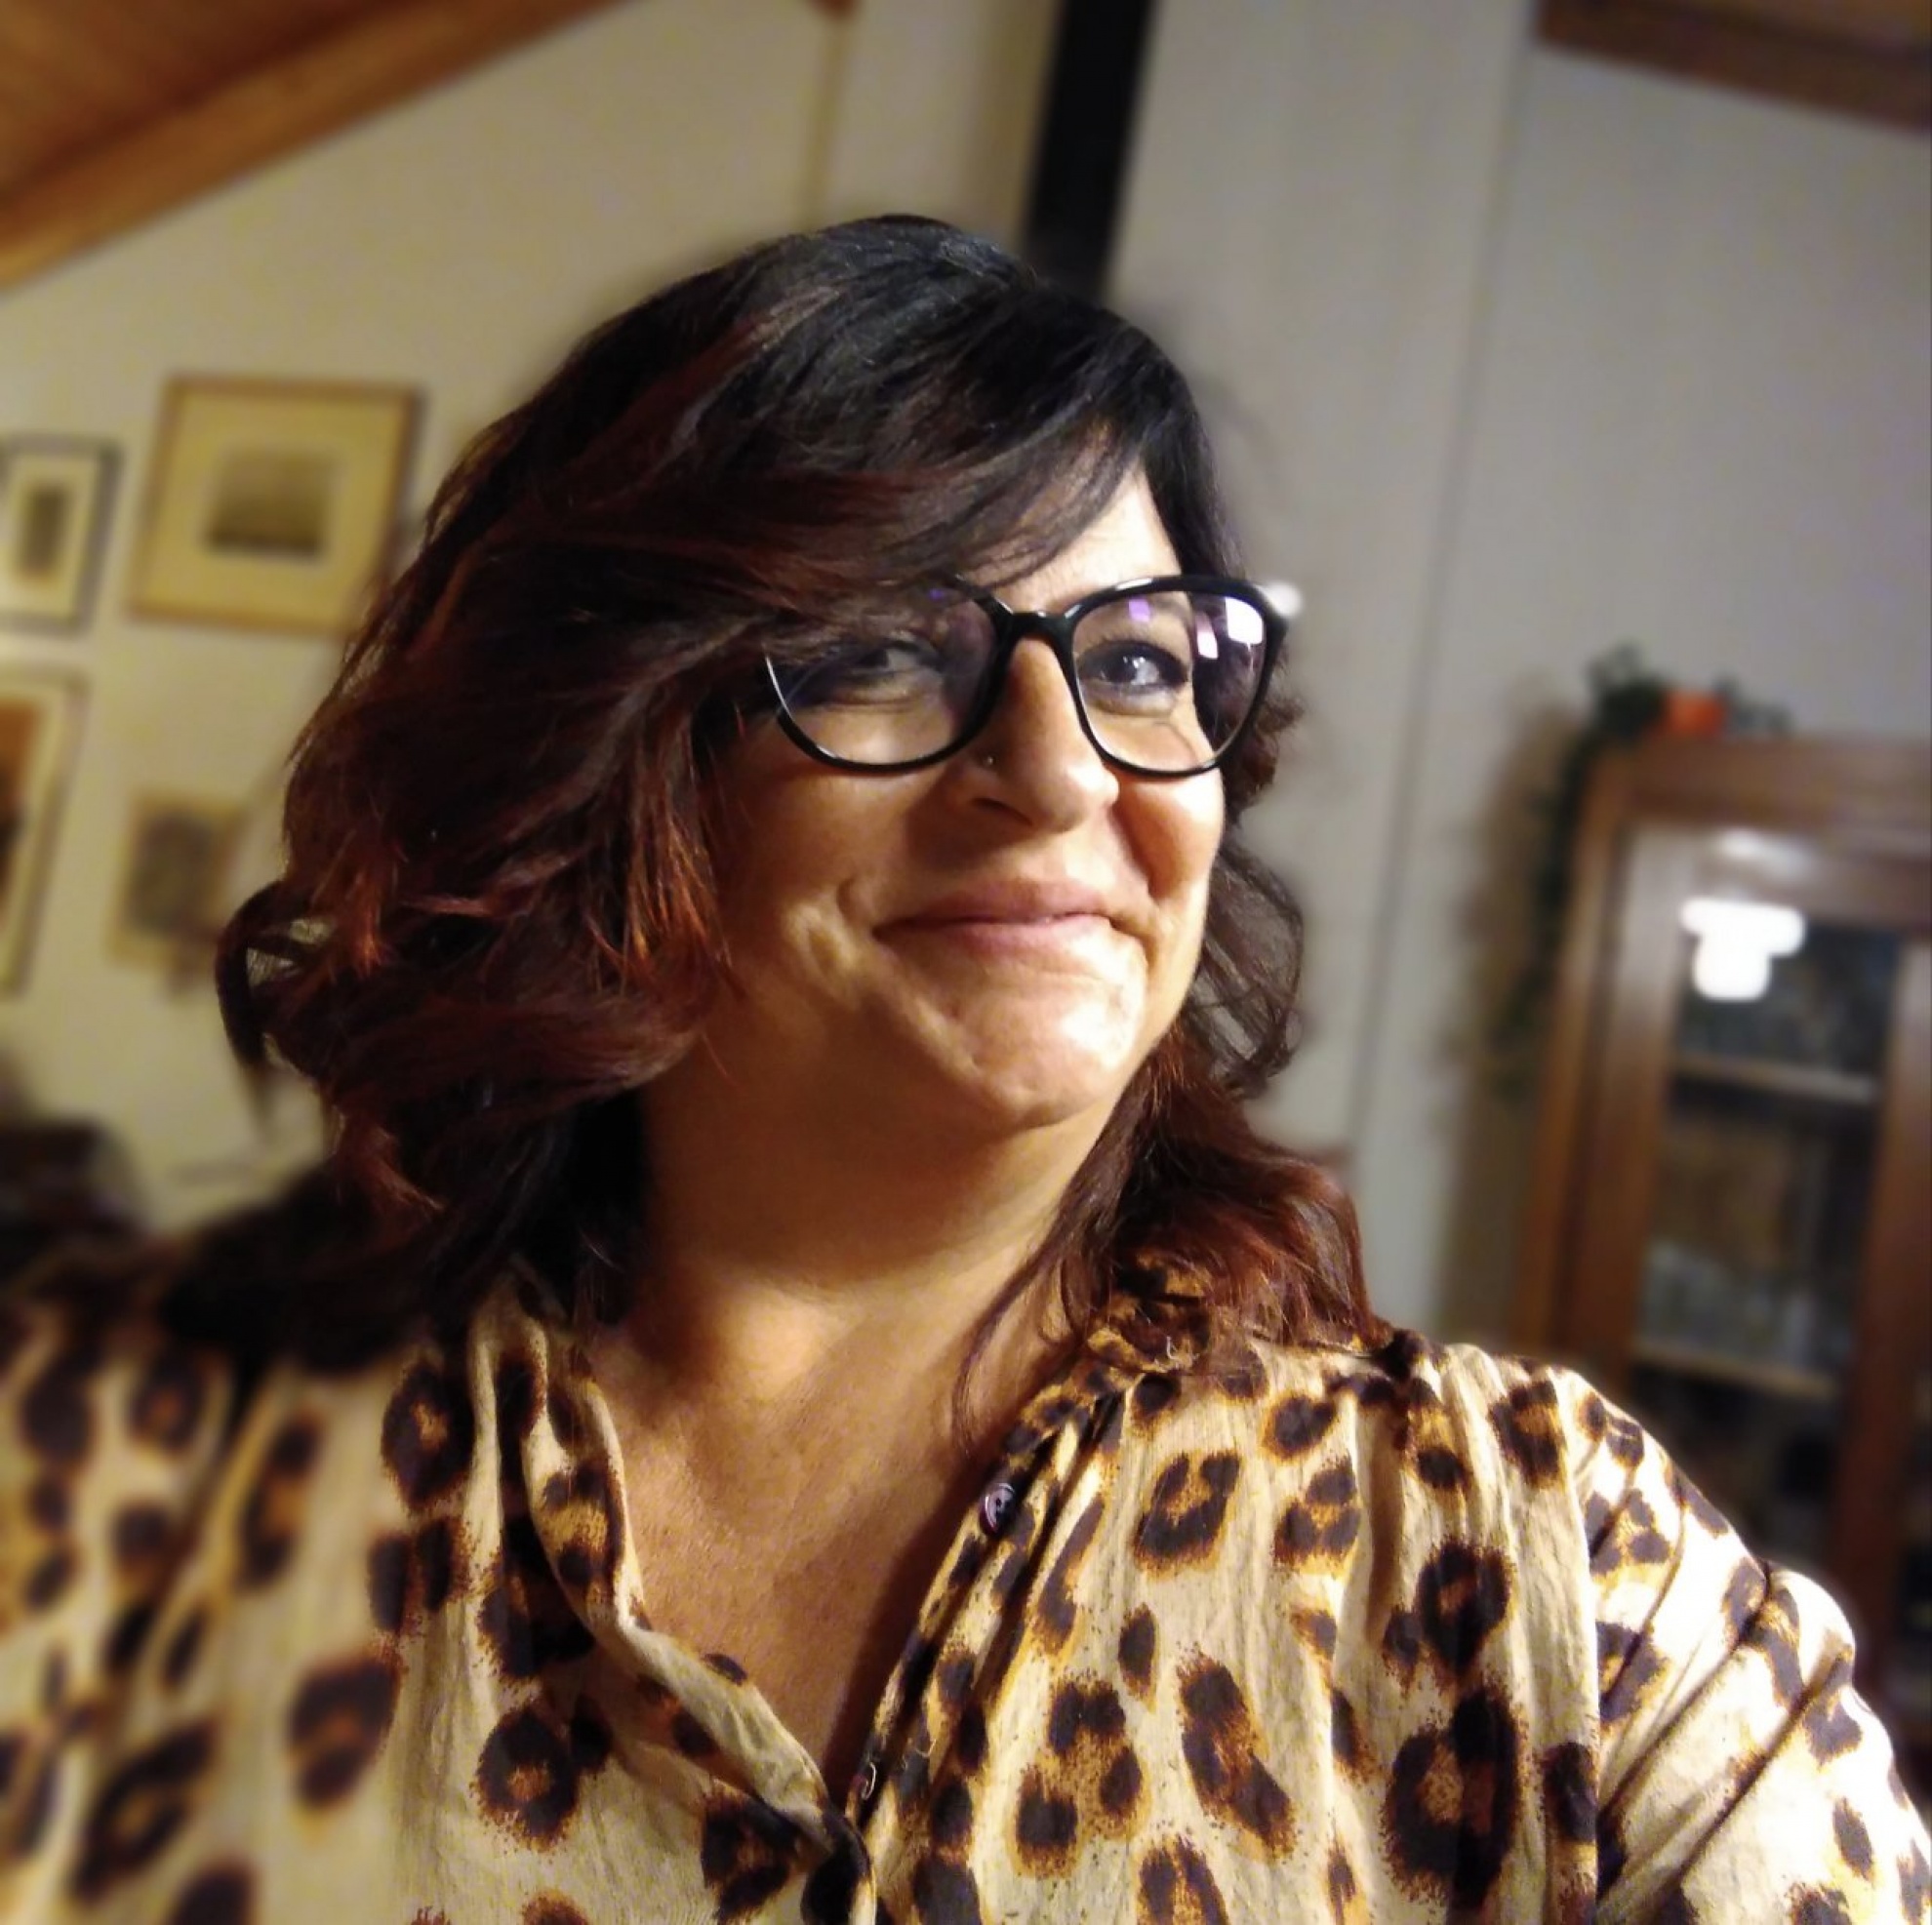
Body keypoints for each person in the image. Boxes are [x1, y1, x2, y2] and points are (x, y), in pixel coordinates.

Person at [0, 217, 1923, 1925]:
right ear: (610, 759)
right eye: (884, 649)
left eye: (1142, 659)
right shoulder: (173, 1520)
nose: (1065, 769)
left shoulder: (1544, 1574)